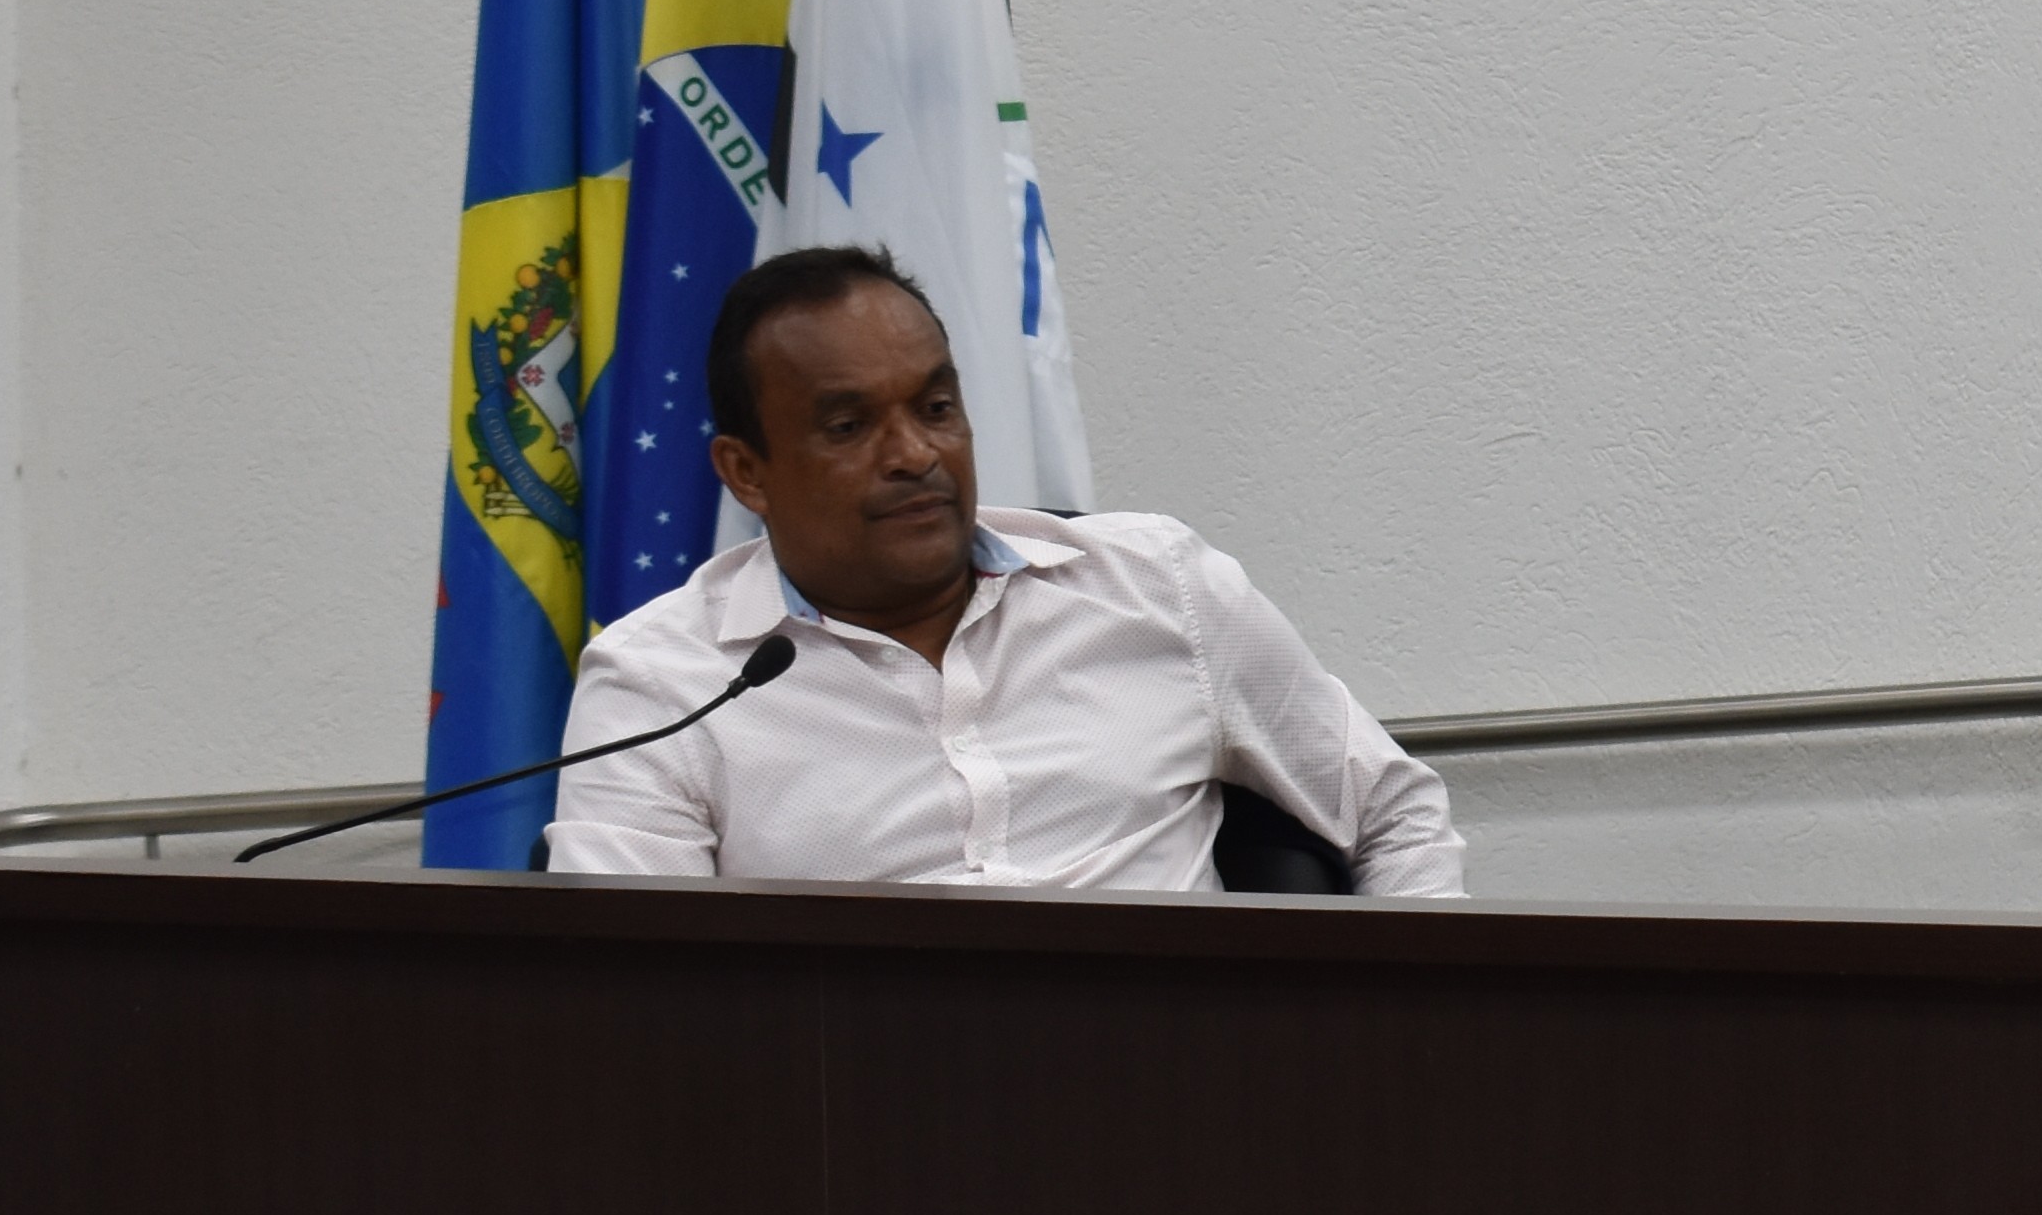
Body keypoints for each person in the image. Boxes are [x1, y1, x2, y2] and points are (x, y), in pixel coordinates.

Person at [544, 244, 1459, 893]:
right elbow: (638, 992)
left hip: (1182, 1091)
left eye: (936, 407)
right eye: (850, 427)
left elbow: (1392, 812)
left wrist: (1406, 1049)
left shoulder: (1155, 585)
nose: (915, 454)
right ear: (747, 472)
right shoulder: (664, 686)